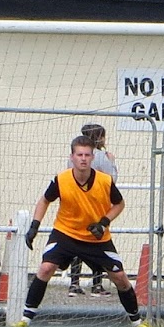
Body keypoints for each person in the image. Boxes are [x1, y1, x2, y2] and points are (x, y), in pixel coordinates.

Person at [11, 135, 152, 327]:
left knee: (120, 277)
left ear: (93, 157)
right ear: (72, 157)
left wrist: (103, 223)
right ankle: (25, 319)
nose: (83, 159)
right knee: (45, 268)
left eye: (87, 155)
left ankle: (137, 323)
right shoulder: (61, 179)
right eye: (79, 155)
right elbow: (44, 200)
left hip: (96, 239)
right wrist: (34, 226)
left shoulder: (104, 181)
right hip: (65, 233)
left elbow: (119, 204)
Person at [67, 122, 117, 297]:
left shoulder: (74, 156)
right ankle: (97, 285)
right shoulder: (101, 156)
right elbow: (112, 179)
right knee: (98, 243)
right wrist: (112, 161)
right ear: (99, 137)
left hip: (76, 206)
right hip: (96, 207)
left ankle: (74, 283)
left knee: (76, 243)